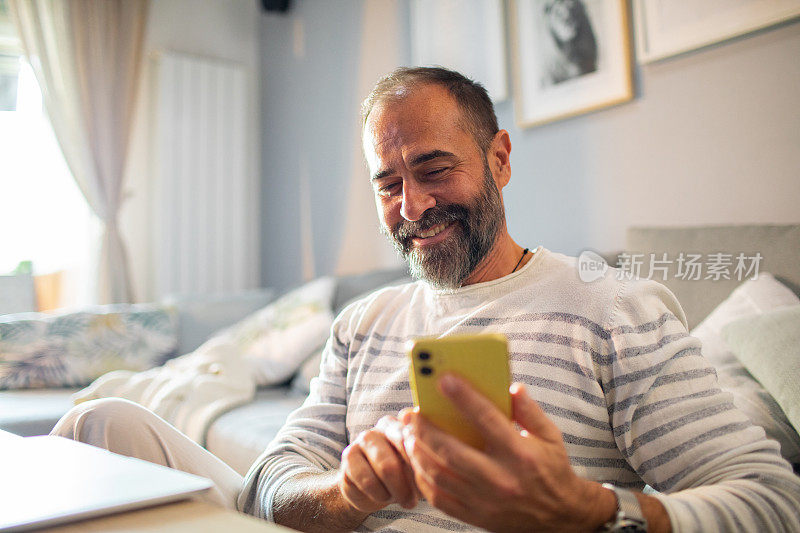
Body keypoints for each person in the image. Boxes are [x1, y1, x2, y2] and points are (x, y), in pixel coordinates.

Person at [54, 67, 800, 532]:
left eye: (435, 168)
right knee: (100, 418)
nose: (412, 206)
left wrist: (590, 512)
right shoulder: (364, 321)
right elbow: (272, 482)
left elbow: (773, 502)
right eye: (388, 185)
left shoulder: (615, 308)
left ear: (499, 158)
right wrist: (345, 495)